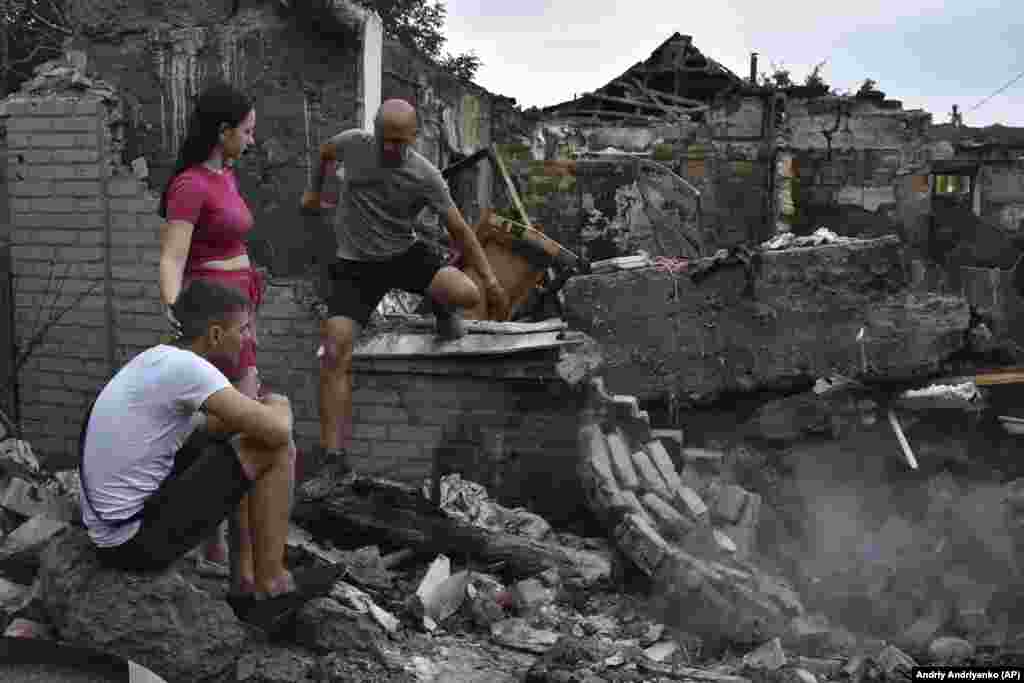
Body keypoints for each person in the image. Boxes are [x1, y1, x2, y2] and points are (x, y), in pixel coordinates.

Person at [79, 280, 341, 632]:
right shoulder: (190, 370)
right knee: (274, 447)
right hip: (133, 542)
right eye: (244, 329)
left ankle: (244, 583)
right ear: (216, 335)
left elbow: (213, 427)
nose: (252, 339)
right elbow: (277, 432)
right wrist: (280, 404)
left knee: (237, 439)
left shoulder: (157, 359)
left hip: (113, 532)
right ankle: (271, 586)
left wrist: (252, 415)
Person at [300, 99, 510, 472]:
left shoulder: (426, 176)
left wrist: (491, 282)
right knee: (334, 352)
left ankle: (442, 307)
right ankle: (333, 458)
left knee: (467, 294)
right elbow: (324, 152)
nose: (391, 148)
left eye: (400, 141)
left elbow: (459, 230)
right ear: (374, 132)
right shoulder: (353, 143)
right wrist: (313, 192)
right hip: (355, 267)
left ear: (415, 136)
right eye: (385, 139)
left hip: (403, 255)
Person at [157, 82, 264, 578]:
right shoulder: (190, 185)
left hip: (241, 309)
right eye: (246, 131)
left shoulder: (228, 177)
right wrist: (180, 314)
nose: (252, 140)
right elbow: (172, 258)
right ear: (222, 132)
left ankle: (220, 547)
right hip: (216, 319)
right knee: (236, 424)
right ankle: (226, 552)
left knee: (232, 424)